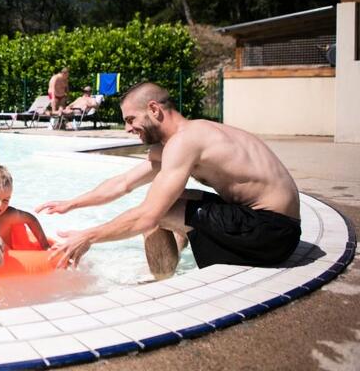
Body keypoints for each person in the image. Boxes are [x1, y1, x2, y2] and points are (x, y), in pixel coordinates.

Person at [35, 82, 301, 278]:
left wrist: (88, 237)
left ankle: (162, 283)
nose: (128, 128)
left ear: (153, 109)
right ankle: (173, 255)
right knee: (172, 199)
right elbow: (124, 182)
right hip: (275, 226)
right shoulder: (193, 135)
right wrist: (71, 204)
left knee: (157, 210)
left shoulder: (185, 142)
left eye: (130, 119)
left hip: (272, 235)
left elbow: (147, 217)